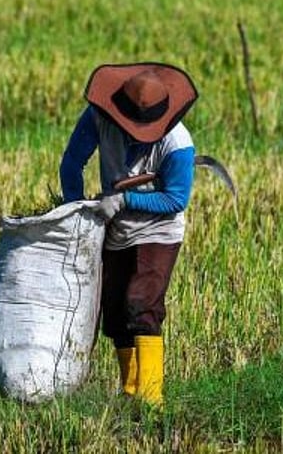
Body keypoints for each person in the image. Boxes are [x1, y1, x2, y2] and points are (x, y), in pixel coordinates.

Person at [59, 62, 198, 406]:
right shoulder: (97, 118)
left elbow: (176, 198)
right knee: (115, 308)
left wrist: (124, 198)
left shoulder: (178, 144)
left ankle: (151, 399)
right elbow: (71, 164)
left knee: (142, 303)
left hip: (159, 229)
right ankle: (129, 390)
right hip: (116, 227)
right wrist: (76, 209)